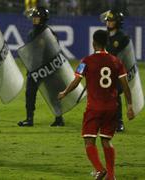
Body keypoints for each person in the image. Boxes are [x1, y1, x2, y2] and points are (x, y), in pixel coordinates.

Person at [58, 30, 134, 180]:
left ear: (93, 43)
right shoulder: (116, 61)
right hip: (112, 108)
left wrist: (65, 92)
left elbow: (76, 81)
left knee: (89, 140)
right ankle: (111, 176)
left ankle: (100, 170)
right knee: (106, 140)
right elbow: (125, 85)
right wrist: (129, 106)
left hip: (94, 108)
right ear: (106, 43)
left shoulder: (86, 61)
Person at [18, 6, 65, 127]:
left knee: (53, 94)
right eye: (33, 17)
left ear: (43, 18)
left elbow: (55, 52)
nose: (34, 19)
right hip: (34, 68)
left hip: (47, 68)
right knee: (29, 94)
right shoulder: (31, 33)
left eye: (37, 17)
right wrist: (29, 67)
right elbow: (29, 51)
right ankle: (29, 119)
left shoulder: (49, 33)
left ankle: (59, 118)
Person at [103, 10, 130, 132]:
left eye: (111, 21)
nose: (108, 23)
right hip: (105, 72)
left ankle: (119, 122)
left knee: (114, 94)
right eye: (107, 20)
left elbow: (126, 57)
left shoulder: (123, 38)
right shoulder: (104, 36)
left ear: (118, 22)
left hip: (119, 72)